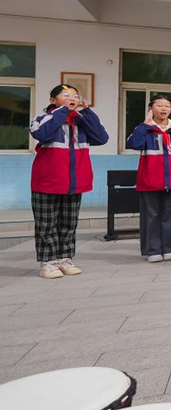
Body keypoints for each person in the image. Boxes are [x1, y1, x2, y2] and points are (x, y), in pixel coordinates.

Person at [30, 84, 109, 279]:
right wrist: (62, 111)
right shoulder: (42, 119)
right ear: (52, 100)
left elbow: (101, 137)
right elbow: (41, 134)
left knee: (68, 223)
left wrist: (86, 111)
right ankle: (48, 262)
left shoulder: (80, 122)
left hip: (74, 182)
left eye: (75, 95)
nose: (71, 98)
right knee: (46, 224)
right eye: (65, 95)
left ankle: (65, 258)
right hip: (47, 181)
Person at [126, 95, 171, 263]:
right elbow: (133, 144)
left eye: (167, 105)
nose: (164, 108)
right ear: (151, 108)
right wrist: (145, 126)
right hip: (150, 180)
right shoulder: (145, 129)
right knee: (151, 216)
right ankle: (153, 251)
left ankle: (168, 249)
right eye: (159, 105)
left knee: (169, 216)